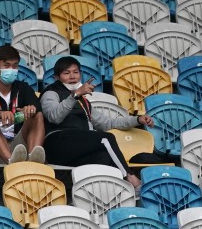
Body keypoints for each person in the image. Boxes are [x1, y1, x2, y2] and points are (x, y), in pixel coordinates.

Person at [40, 56, 154, 189]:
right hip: (57, 144)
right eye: (66, 73)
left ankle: (112, 192)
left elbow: (107, 123)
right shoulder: (51, 92)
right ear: (56, 78)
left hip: (77, 148)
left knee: (104, 157)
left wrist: (137, 120)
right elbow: (54, 117)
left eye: (76, 72)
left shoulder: (83, 101)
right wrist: (75, 95)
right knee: (106, 138)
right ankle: (131, 179)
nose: (72, 76)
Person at [0, 45, 46, 165]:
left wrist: (31, 108)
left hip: (16, 147)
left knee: (37, 115)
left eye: (15, 66)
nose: (11, 69)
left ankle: (33, 161)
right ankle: (11, 162)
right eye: (7, 65)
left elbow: (37, 104)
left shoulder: (23, 88)